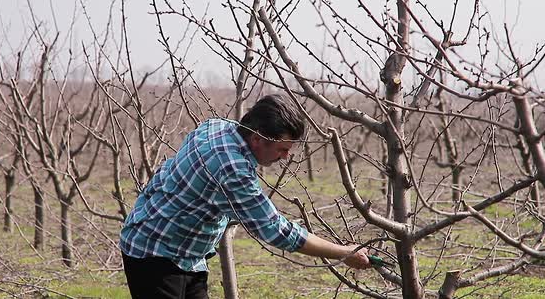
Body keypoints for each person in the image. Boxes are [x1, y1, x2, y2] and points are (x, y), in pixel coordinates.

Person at [119, 94, 370, 299]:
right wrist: (343, 252)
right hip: (155, 254)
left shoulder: (217, 126)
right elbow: (275, 230)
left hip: (186, 255)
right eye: (282, 149)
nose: (286, 157)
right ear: (258, 139)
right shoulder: (232, 168)